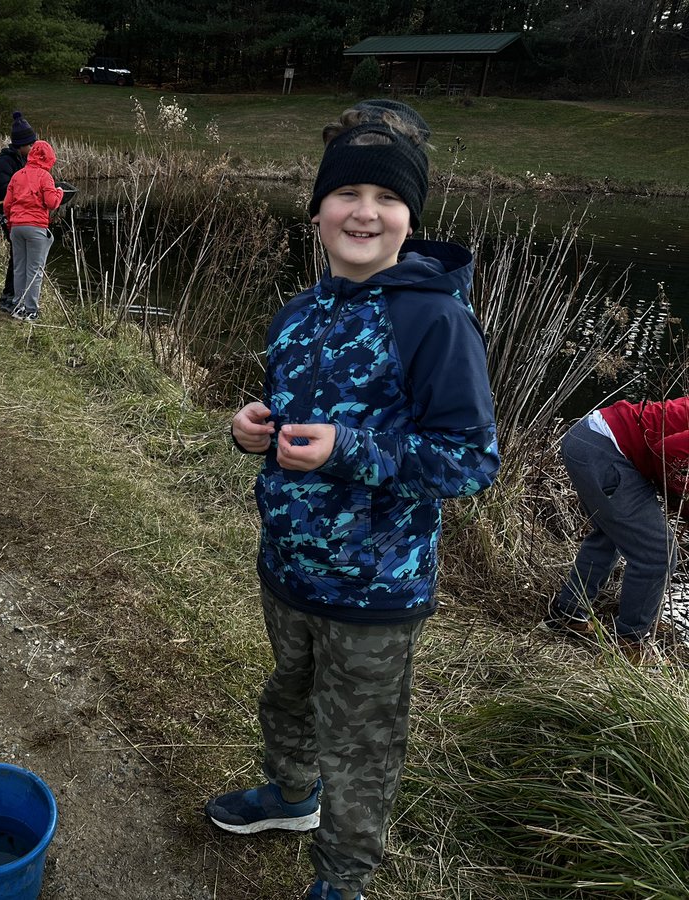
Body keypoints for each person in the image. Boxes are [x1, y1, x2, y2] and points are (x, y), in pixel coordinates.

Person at [204, 99, 499, 900]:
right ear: (318, 211)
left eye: (388, 197)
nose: (365, 212)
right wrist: (250, 431)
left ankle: (342, 877)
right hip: (288, 567)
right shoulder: (297, 315)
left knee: (360, 741)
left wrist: (349, 450)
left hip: (377, 589)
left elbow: (472, 462)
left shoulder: (436, 319)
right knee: (286, 697)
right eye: (347, 193)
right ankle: (289, 797)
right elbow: (290, 419)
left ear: (410, 219)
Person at [547, 397, 689, 657]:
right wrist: (680, 499)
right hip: (605, 450)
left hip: (588, 438)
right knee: (658, 554)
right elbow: (667, 450)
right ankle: (629, 645)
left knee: (610, 535)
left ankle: (568, 614)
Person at [2, 139, 63, 323]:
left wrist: (11, 223)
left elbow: (7, 204)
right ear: (48, 159)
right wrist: (59, 192)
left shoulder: (17, 175)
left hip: (17, 227)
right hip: (36, 228)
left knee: (19, 267)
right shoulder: (45, 177)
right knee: (35, 271)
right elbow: (51, 202)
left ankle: (18, 306)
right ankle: (31, 310)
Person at [0, 111, 36, 313]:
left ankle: (13, 295)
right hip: (4, 212)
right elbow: (2, 190)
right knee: (18, 254)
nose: (33, 147)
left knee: (20, 254)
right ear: (20, 145)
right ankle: (9, 297)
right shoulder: (4, 161)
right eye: (30, 144)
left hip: (20, 213)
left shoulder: (26, 160)